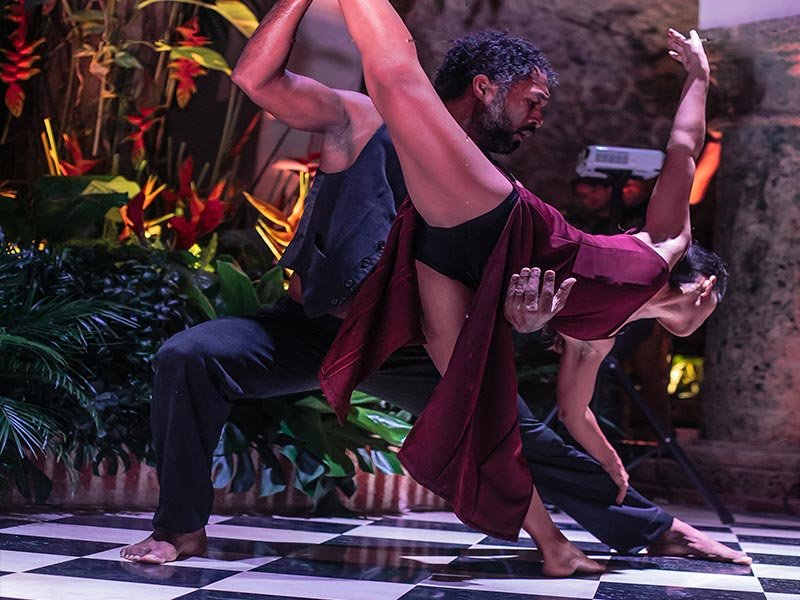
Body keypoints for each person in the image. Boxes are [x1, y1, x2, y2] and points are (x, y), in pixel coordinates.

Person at [120, 0, 748, 572]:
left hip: (406, 345)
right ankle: (180, 530)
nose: (538, 120)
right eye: (531, 101)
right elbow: (256, 81)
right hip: (314, 330)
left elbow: (485, 303)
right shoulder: (363, 121)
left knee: (518, 433)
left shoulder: (476, 193)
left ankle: (653, 529)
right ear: (485, 88)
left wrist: (524, 320)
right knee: (190, 356)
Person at [321, 0, 746, 573]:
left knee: (481, 411)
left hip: (465, 269)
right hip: (507, 222)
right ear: (704, 289)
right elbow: (684, 146)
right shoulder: (665, 243)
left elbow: (576, 413)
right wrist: (699, 76)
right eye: (714, 310)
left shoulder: (599, 336)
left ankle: (556, 549)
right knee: (399, 85)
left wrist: (609, 462)